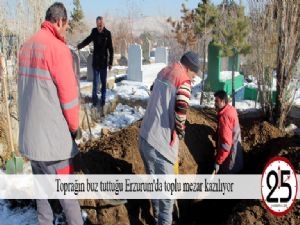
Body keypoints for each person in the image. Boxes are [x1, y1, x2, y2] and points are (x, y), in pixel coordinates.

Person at [18, 2, 83, 225]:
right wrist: (74, 128)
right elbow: (69, 98)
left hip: (32, 142)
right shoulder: (57, 49)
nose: (65, 30)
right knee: (69, 201)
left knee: (43, 200)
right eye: (66, 26)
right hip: (54, 146)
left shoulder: (26, 46)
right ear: (59, 21)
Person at [139, 51, 200, 225]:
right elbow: (181, 112)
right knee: (167, 201)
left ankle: (157, 217)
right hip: (162, 145)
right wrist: (180, 131)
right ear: (188, 68)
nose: (194, 77)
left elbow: (153, 91)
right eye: (194, 73)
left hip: (144, 138)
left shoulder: (164, 71)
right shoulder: (184, 82)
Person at [77, 16, 113, 107]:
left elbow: (111, 49)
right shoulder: (94, 31)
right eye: (98, 25)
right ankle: (94, 100)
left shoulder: (107, 33)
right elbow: (88, 40)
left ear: (103, 24)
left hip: (104, 62)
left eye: (100, 25)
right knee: (95, 83)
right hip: (96, 62)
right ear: (96, 24)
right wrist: (79, 46)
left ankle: (103, 100)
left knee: (103, 83)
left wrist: (110, 62)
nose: (99, 27)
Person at [213, 90, 244, 174]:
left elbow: (226, 145)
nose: (214, 103)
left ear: (223, 101)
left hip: (230, 162)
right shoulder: (230, 109)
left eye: (216, 101)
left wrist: (218, 162)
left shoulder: (225, 117)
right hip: (236, 157)